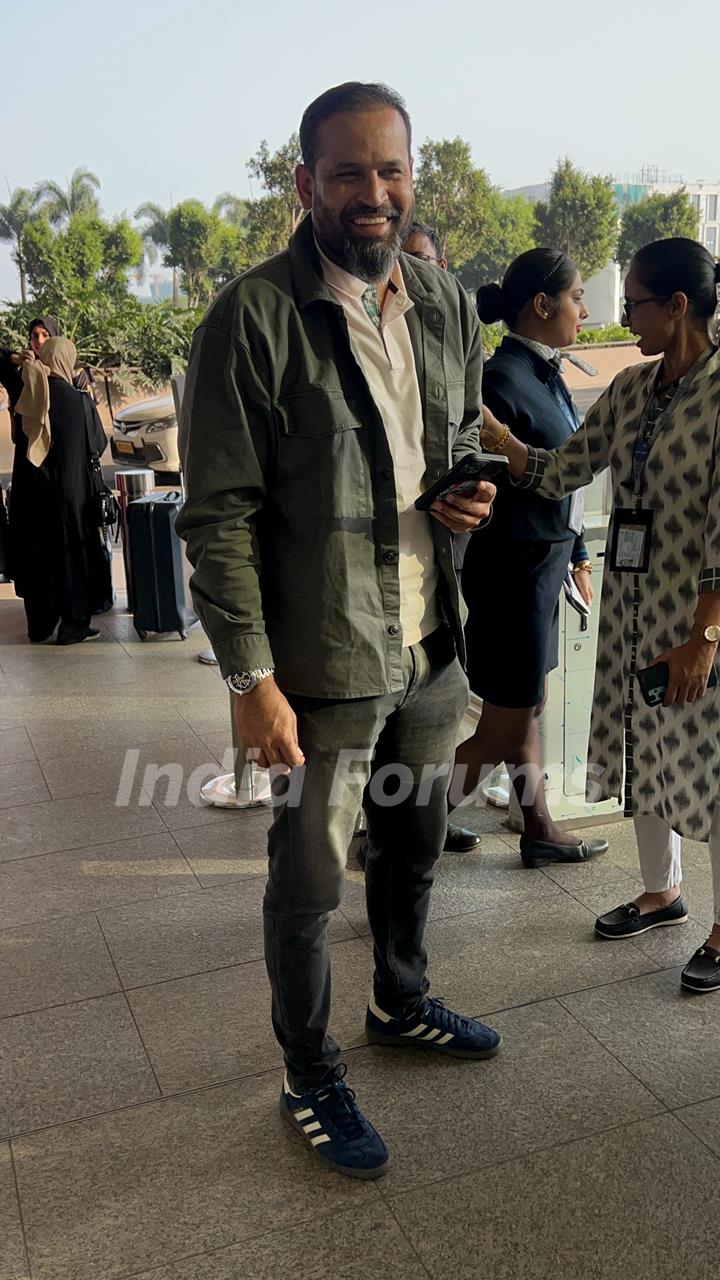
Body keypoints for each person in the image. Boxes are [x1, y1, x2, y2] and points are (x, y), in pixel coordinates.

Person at [177, 80, 501, 1181]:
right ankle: (308, 1066)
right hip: (324, 658)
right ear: (307, 182)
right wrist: (250, 675)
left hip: (431, 642)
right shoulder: (252, 318)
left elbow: (452, 435)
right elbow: (216, 514)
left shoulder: (445, 302)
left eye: (392, 169)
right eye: (350, 172)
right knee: (310, 880)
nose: (376, 193)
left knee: (412, 845)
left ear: (416, 177)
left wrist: (466, 493)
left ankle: (400, 1001)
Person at [480, 237, 720, 993]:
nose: (622, 317)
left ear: (678, 306)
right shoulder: (632, 388)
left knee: (712, 765)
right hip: (634, 608)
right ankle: (662, 891)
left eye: (637, 303)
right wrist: (502, 443)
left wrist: (704, 638)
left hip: (700, 617)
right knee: (646, 746)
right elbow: (564, 471)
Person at [449, 249, 609, 868]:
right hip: (512, 571)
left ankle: (537, 825)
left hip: (542, 568)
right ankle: (402, 829)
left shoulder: (544, 373)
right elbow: (501, 478)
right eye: (575, 298)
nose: (584, 310)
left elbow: (563, 474)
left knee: (526, 707)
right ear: (541, 305)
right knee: (503, 726)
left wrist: (576, 552)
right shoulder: (500, 380)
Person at [11, 336, 111, 643]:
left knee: (38, 556)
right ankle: (73, 625)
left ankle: (40, 626)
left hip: (31, 495)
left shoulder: (29, 397)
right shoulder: (78, 400)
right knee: (71, 557)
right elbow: (98, 444)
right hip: (71, 496)